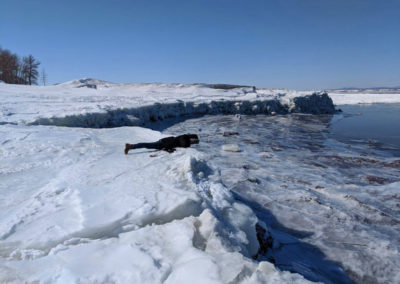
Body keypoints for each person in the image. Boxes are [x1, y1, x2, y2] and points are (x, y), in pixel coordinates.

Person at [125, 134, 199, 154]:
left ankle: (131, 146)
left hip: (163, 141)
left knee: (147, 145)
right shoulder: (184, 143)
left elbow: (191, 135)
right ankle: (130, 146)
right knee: (147, 145)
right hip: (162, 144)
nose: (192, 143)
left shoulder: (184, 136)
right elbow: (170, 145)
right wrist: (168, 150)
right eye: (193, 142)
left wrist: (195, 137)